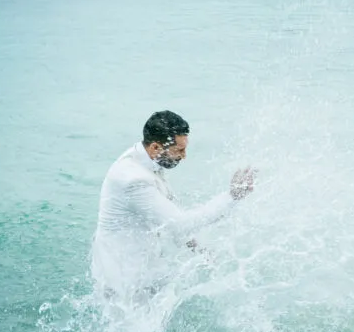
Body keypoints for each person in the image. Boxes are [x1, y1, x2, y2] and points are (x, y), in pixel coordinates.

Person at [91, 110, 255, 299]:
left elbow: (168, 216)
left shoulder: (145, 160)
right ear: (154, 147)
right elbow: (179, 224)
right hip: (124, 278)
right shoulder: (133, 180)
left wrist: (197, 248)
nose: (184, 156)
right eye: (179, 150)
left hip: (141, 265)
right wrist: (232, 197)